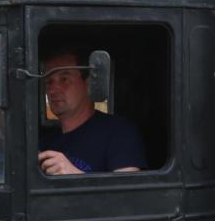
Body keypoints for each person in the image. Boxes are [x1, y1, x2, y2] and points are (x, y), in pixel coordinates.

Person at [37, 46, 145, 175]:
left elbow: (128, 192)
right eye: (49, 81)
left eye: (64, 79)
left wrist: (75, 176)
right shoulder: (47, 141)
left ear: (88, 84)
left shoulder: (119, 132)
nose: (53, 90)